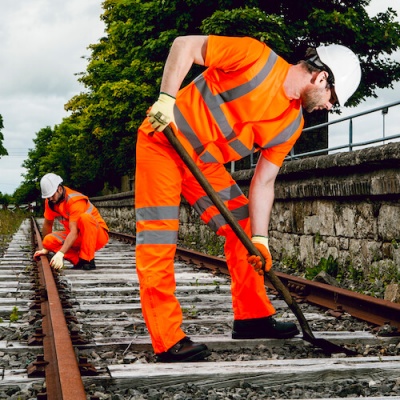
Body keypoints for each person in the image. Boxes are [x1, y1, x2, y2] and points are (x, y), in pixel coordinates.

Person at [136, 35, 361, 363]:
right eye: (333, 98)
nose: (329, 106)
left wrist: (260, 238)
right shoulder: (255, 57)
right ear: (321, 77)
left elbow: (264, 181)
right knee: (159, 238)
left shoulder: (292, 124)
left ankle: (252, 317)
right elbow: (183, 45)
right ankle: (166, 338)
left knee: (244, 230)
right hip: (163, 142)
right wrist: (166, 99)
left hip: (203, 164)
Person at [34, 173, 109, 271]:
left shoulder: (74, 201)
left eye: (52, 195)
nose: (50, 199)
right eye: (48, 197)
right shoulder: (50, 202)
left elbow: (73, 232)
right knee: (48, 240)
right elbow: (48, 224)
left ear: (59, 189)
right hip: (78, 236)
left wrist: (61, 253)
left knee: (85, 218)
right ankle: (78, 261)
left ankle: (88, 260)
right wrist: (46, 249)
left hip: (97, 236)